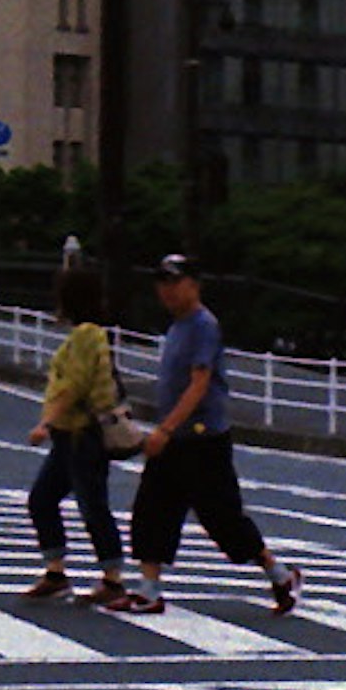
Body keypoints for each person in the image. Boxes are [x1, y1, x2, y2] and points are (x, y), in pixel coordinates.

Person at [115, 254, 300, 617]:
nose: (167, 291)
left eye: (175, 282)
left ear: (194, 285)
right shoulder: (176, 327)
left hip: (202, 439)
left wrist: (165, 428)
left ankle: (279, 574)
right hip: (174, 438)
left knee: (223, 518)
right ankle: (149, 591)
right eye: (162, 283)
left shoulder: (203, 325)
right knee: (151, 510)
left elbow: (199, 385)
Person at [19, 261, 130, 603]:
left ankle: (112, 579)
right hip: (71, 437)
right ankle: (56, 573)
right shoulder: (87, 334)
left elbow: (74, 386)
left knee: (92, 504)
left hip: (84, 435)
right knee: (44, 499)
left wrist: (45, 423)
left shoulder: (86, 335)